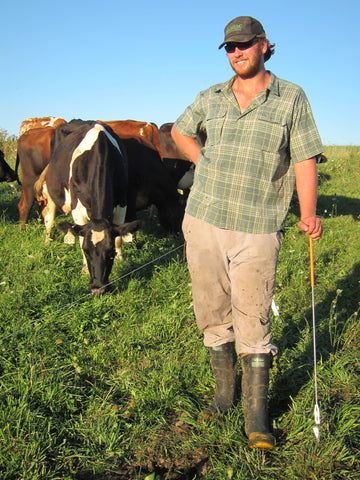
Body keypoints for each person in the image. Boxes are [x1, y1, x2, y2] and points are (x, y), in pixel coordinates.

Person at [171, 16, 324, 450]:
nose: (237, 53)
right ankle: (225, 396)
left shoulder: (291, 97)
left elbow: (305, 158)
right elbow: (180, 131)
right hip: (203, 219)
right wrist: (204, 163)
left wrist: (308, 213)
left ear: (263, 45)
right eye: (229, 48)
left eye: (244, 45)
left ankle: (256, 418)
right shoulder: (212, 96)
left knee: (253, 314)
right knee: (211, 309)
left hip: (258, 226)